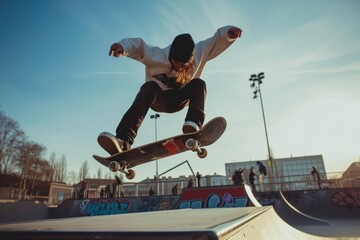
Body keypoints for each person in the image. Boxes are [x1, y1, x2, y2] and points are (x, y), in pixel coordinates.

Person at [97, 26, 242, 154]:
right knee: (149, 87)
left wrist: (228, 34)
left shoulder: (199, 52)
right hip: (158, 99)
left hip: (179, 100)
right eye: (177, 63)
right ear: (171, 57)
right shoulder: (156, 55)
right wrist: (123, 47)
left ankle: (193, 124)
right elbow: (138, 46)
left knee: (199, 84)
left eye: (184, 64)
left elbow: (214, 41)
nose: (180, 67)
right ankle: (123, 140)